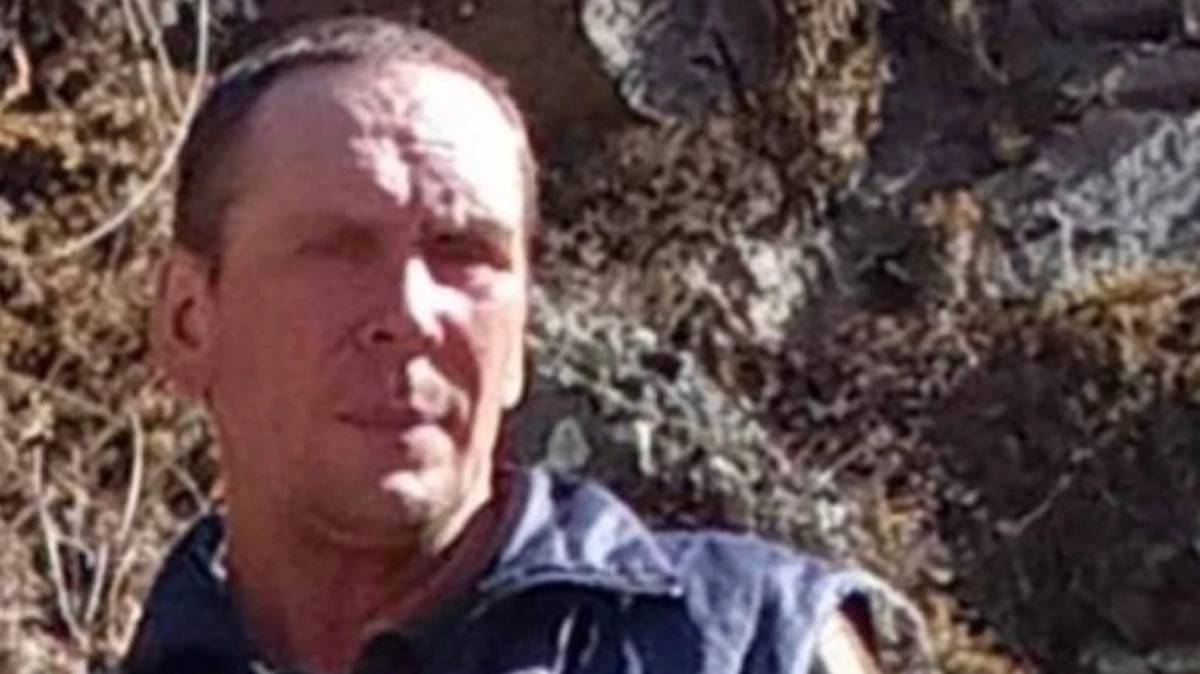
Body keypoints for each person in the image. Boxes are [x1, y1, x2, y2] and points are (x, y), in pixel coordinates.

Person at [123, 16, 888, 674]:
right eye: (336, 250)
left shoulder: (750, 647)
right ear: (189, 319)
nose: (411, 313)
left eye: (463, 253)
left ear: (519, 337)